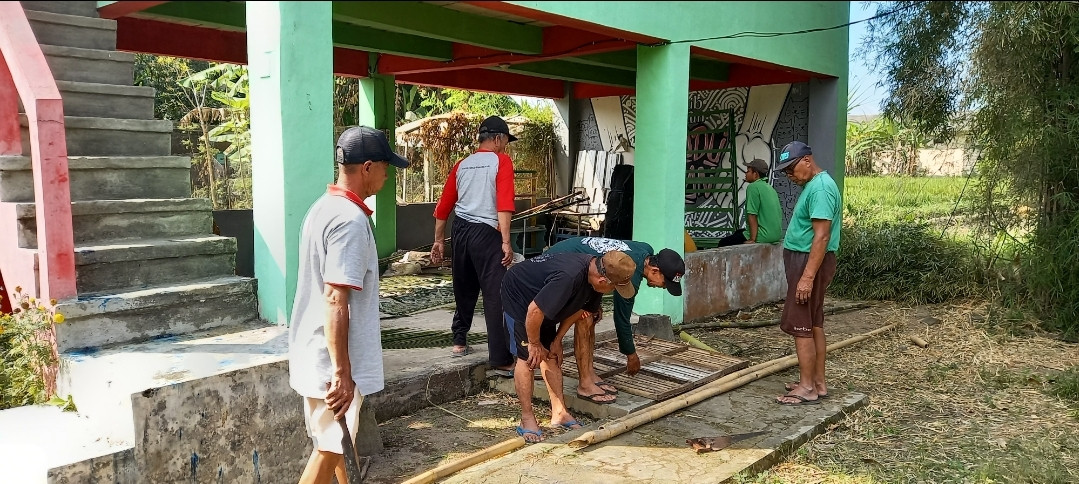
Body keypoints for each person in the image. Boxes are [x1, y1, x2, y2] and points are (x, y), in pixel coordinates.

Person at [288, 126, 410, 483]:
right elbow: (335, 298)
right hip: (332, 361)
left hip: (315, 348)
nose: (388, 175)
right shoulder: (350, 221)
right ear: (368, 167)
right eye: (386, 166)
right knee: (328, 448)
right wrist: (342, 371)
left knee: (338, 440)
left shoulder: (323, 208)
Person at [501, 251, 637, 442]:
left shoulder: (595, 279)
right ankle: (527, 418)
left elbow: (581, 309)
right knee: (529, 358)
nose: (614, 290)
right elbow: (535, 310)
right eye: (614, 287)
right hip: (521, 297)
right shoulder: (568, 277)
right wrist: (534, 343)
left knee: (552, 355)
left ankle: (559, 412)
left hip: (543, 303)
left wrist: (557, 340)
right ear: (602, 280)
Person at [544, 237, 685, 404]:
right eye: (665, 283)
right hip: (559, 263)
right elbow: (621, 318)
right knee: (585, 319)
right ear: (654, 270)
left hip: (579, 266)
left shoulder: (645, 249)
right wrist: (631, 355)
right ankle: (585, 384)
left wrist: (595, 303)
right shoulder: (630, 273)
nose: (662, 287)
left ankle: (589, 373)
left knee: (592, 316)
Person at [430, 116, 517, 374]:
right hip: (486, 233)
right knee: (495, 294)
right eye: (505, 142)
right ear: (499, 138)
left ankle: (459, 341)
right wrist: (506, 241)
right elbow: (504, 203)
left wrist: (438, 240)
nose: (505, 147)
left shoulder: (463, 164)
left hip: (460, 231)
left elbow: (444, 206)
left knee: (464, 287)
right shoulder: (501, 161)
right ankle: (500, 358)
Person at [771, 141, 842, 406]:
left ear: (807, 160)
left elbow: (821, 236)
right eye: (786, 171)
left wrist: (807, 277)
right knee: (813, 324)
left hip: (808, 262)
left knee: (801, 327)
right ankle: (818, 382)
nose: (790, 175)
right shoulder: (815, 185)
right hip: (806, 260)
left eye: (792, 168)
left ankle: (807, 387)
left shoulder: (821, 188)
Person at [717, 158, 783, 246]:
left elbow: (752, 214)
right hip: (775, 236)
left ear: (755, 174)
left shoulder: (753, 187)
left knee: (723, 243)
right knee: (738, 232)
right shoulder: (769, 188)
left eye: (748, 171)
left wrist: (752, 239)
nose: (745, 173)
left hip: (764, 235)